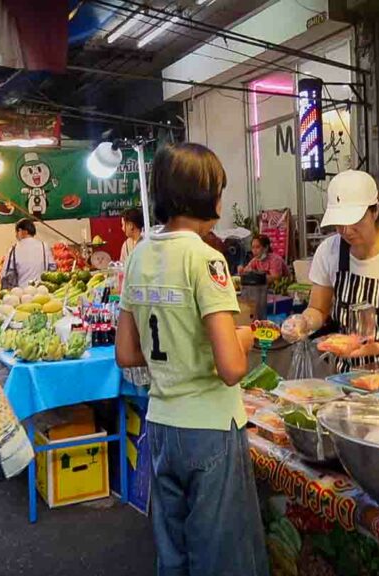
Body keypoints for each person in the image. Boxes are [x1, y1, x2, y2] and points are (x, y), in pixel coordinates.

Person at [115, 143, 268, 576]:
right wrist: (244, 335)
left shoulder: (141, 254)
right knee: (220, 558)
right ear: (207, 196)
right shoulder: (207, 258)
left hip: (161, 425)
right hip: (211, 429)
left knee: (173, 553)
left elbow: (126, 354)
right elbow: (231, 368)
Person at [281, 170, 379, 389]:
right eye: (339, 223)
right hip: (351, 377)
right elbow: (318, 309)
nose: (346, 231)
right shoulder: (329, 251)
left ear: (375, 211)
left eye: (354, 220)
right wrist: (304, 322)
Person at [0, 218, 49, 287]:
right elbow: (52, 269)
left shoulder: (14, 249)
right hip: (41, 291)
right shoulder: (44, 247)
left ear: (20, 231)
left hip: (21, 293)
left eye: (16, 233)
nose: (16, 236)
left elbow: (4, 274)